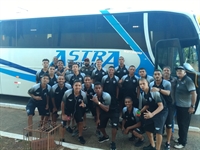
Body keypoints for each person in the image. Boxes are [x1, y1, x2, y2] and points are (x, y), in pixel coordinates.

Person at [139, 78, 168, 150]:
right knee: (147, 128)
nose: (142, 86)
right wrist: (139, 112)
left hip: (161, 111)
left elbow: (161, 106)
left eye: (143, 84)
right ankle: (152, 146)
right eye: (140, 84)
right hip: (152, 111)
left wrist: (152, 114)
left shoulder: (154, 92)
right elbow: (146, 105)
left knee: (158, 131)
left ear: (148, 84)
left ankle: (158, 149)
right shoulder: (143, 94)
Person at [150, 69, 174, 150]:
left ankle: (167, 142)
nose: (157, 76)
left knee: (169, 124)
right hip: (158, 106)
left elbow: (168, 93)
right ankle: (156, 140)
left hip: (168, 106)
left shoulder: (167, 83)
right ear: (153, 76)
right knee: (158, 124)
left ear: (161, 75)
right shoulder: (151, 84)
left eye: (158, 74)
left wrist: (159, 90)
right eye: (155, 74)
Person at [174, 66, 197, 149]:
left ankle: (183, 143)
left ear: (185, 72)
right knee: (180, 124)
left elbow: (194, 94)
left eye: (181, 70)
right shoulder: (179, 80)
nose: (179, 72)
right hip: (179, 106)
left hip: (186, 108)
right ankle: (181, 139)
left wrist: (192, 106)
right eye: (177, 71)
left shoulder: (188, 81)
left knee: (184, 125)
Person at [91, 82, 118, 150]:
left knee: (114, 126)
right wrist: (98, 118)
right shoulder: (95, 97)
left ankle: (113, 142)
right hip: (104, 111)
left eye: (99, 88)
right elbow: (97, 107)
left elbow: (107, 109)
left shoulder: (106, 96)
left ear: (102, 88)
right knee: (99, 125)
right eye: (96, 88)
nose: (98, 90)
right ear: (94, 89)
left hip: (113, 110)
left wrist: (98, 102)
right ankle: (105, 136)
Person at [61, 80, 87, 144]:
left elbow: (86, 103)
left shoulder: (83, 94)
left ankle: (80, 136)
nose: (77, 87)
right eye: (76, 85)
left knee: (80, 122)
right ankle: (62, 138)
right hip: (68, 110)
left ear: (81, 87)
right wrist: (63, 114)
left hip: (78, 110)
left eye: (79, 85)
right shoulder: (67, 93)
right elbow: (63, 103)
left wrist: (84, 105)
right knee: (64, 123)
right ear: (73, 86)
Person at [162, 66, 177, 141]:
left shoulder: (174, 80)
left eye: (168, 70)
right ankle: (160, 133)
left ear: (170, 72)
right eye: (165, 70)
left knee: (171, 119)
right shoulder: (159, 79)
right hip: (161, 103)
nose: (166, 71)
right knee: (161, 118)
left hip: (172, 102)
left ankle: (171, 134)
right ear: (162, 72)